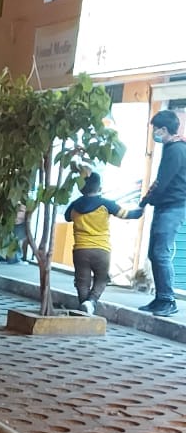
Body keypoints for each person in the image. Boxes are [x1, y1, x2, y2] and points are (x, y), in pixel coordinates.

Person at [63, 172, 143, 315]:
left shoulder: (74, 206)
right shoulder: (107, 204)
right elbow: (130, 215)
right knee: (102, 278)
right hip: (101, 250)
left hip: (80, 250)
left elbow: (67, 217)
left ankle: (84, 307)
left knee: (82, 281)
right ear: (99, 188)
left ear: (81, 189)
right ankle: (91, 302)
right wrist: (143, 205)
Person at [139, 110, 186, 316]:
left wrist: (148, 201)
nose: (154, 133)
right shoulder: (172, 148)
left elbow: (163, 181)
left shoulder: (176, 150)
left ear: (164, 129)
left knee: (161, 253)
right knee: (154, 253)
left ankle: (168, 300)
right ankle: (160, 299)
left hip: (173, 206)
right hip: (167, 205)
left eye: (155, 129)